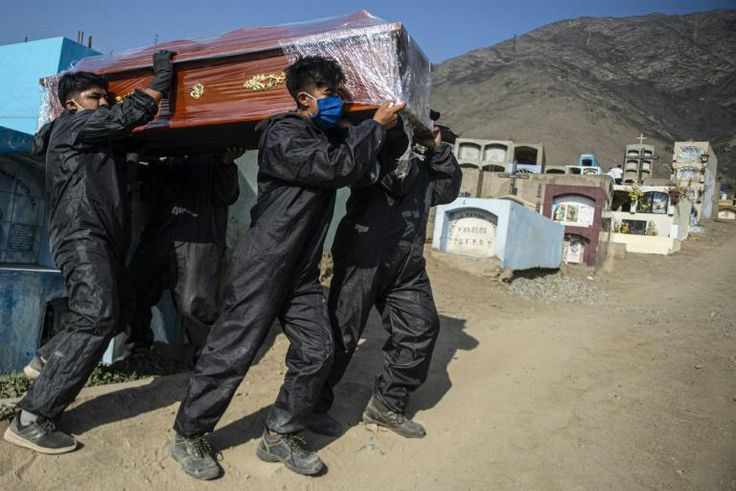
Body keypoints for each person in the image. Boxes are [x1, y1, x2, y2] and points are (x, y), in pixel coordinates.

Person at [169, 56, 405, 480]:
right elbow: (335, 167)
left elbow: (361, 169)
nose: (338, 102)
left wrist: (379, 130)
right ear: (304, 98)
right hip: (263, 261)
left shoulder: (327, 137)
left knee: (318, 351)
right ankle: (190, 433)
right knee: (233, 351)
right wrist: (372, 127)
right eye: (331, 95)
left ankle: (280, 432)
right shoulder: (284, 134)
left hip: (300, 270)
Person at [5, 51, 176, 454]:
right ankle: (32, 417)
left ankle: (48, 360)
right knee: (99, 315)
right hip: (82, 234)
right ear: (71, 105)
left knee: (109, 312)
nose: (105, 103)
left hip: (98, 236)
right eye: (97, 97)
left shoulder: (92, 140)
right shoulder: (72, 127)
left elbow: (120, 144)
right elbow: (123, 117)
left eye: (105, 97)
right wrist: (161, 80)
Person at [311, 110, 461, 439]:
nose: (429, 125)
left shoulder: (425, 164)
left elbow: (448, 190)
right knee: (342, 330)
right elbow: (394, 179)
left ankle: (387, 403)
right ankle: (309, 405)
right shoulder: (378, 149)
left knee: (421, 327)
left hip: (406, 263)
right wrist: (396, 136)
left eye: (431, 121)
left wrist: (437, 150)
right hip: (365, 254)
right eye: (423, 120)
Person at [125, 150, 242, 351]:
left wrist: (226, 163)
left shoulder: (213, 159)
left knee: (195, 305)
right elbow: (150, 195)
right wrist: (149, 162)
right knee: (133, 291)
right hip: (162, 233)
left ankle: (206, 359)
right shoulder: (171, 158)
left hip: (197, 237)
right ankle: (139, 351)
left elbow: (228, 195)